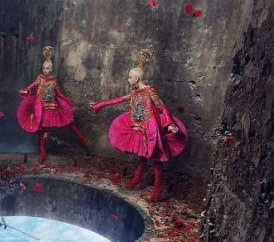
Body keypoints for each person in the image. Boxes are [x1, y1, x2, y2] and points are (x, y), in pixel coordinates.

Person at [91, 49, 187, 201]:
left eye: (130, 78)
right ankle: (137, 178)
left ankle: (157, 188)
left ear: (136, 79)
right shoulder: (134, 93)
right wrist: (100, 104)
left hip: (151, 129)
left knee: (156, 160)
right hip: (139, 127)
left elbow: (161, 107)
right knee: (143, 156)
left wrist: (169, 124)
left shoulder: (149, 91)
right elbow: (119, 99)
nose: (128, 80)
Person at [16, 46, 88, 163]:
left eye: (47, 68)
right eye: (44, 68)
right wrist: (26, 90)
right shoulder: (40, 78)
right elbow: (32, 86)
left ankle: (80, 135)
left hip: (52, 106)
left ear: (51, 69)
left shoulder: (54, 80)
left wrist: (67, 101)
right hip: (41, 107)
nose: (45, 70)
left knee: (67, 120)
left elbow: (58, 92)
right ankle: (42, 151)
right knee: (43, 130)